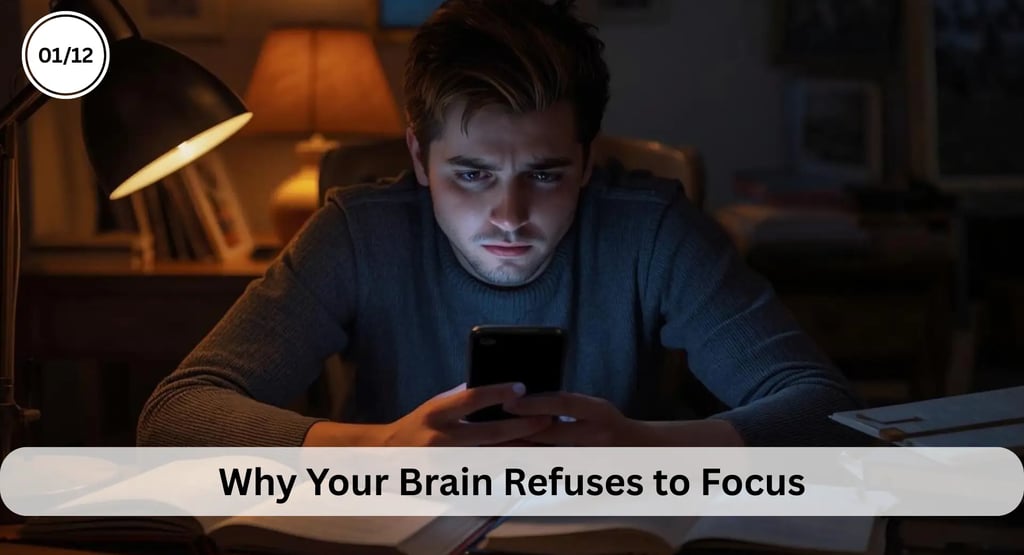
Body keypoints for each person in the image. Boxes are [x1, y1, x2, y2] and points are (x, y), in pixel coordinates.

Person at [137, 0, 862, 449]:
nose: (509, 217)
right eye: (472, 174)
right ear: (420, 158)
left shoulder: (651, 229)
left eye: (544, 174)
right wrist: (376, 449)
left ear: (586, 160)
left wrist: (649, 447)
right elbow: (174, 415)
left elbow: (826, 409)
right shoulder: (360, 233)